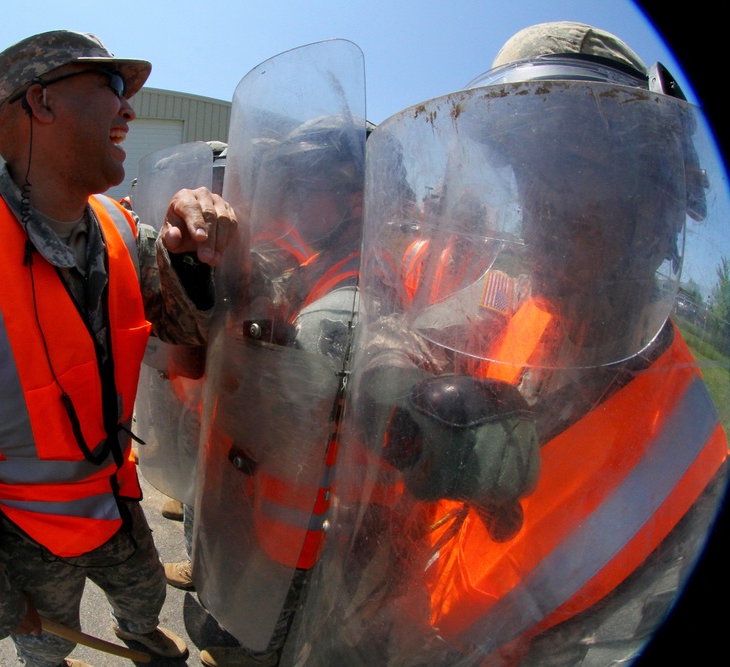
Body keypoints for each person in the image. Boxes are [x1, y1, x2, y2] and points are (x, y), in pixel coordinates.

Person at [282, 22, 728, 666]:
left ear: (658, 196)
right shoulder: (517, 304)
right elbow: (398, 335)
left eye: (572, 166)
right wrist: (403, 387)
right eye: (527, 169)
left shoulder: (692, 471)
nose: (539, 203)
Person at [0, 30, 236, 667]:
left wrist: (188, 260)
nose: (130, 108)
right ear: (41, 103)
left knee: (144, 595)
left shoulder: (118, 228)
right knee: (47, 646)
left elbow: (185, 331)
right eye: (113, 86)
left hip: (116, 504)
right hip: (23, 538)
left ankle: (140, 636)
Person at [191, 38, 369, 667]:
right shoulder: (326, 268)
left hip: (296, 540)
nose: (293, 200)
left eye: (311, 186)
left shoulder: (341, 310)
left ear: (355, 203)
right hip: (282, 523)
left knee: (267, 650)